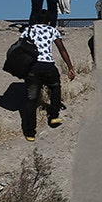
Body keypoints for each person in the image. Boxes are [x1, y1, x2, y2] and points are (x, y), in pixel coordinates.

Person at [18, 10, 76, 142]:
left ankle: (30, 133)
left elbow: (20, 47)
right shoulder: (52, 30)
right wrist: (70, 67)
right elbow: (62, 50)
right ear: (49, 21)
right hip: (48, 66)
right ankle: (54, 116)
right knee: (55, 88)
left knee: (31, 99)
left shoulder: (28, 30)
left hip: (32, 68)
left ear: (35, 20)